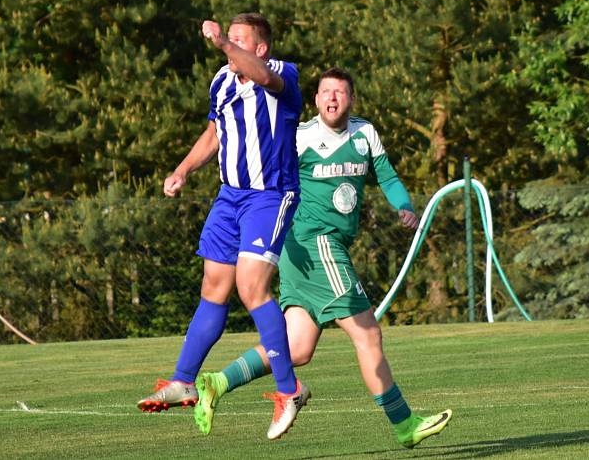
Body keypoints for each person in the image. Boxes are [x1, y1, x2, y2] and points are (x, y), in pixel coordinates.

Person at [192, 67, 452, 449]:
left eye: (340, 93)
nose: (332, 98)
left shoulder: (365, 134)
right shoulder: (300, 138)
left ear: (351, 99)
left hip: (313, 253)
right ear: (315, 100)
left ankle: (216, 382)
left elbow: (388, 176)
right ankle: (404, 422)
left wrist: (403, 207)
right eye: (326, 92)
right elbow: (270, 180)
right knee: (368, 333)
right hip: (314, 244)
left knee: (296, 348)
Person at [137, 13, 309, 440]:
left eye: (239, 39)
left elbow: (264, 79)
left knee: (252, 288)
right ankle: (184, 381)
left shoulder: (282, 73)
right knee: (214, 286)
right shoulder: (222, 81)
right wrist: (182, 170)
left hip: (270, 194)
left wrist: (223, 45)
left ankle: (290, 390)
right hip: (229, 197)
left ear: (260, 48)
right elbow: (214, 133)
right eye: (228, 37)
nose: (229, 43)